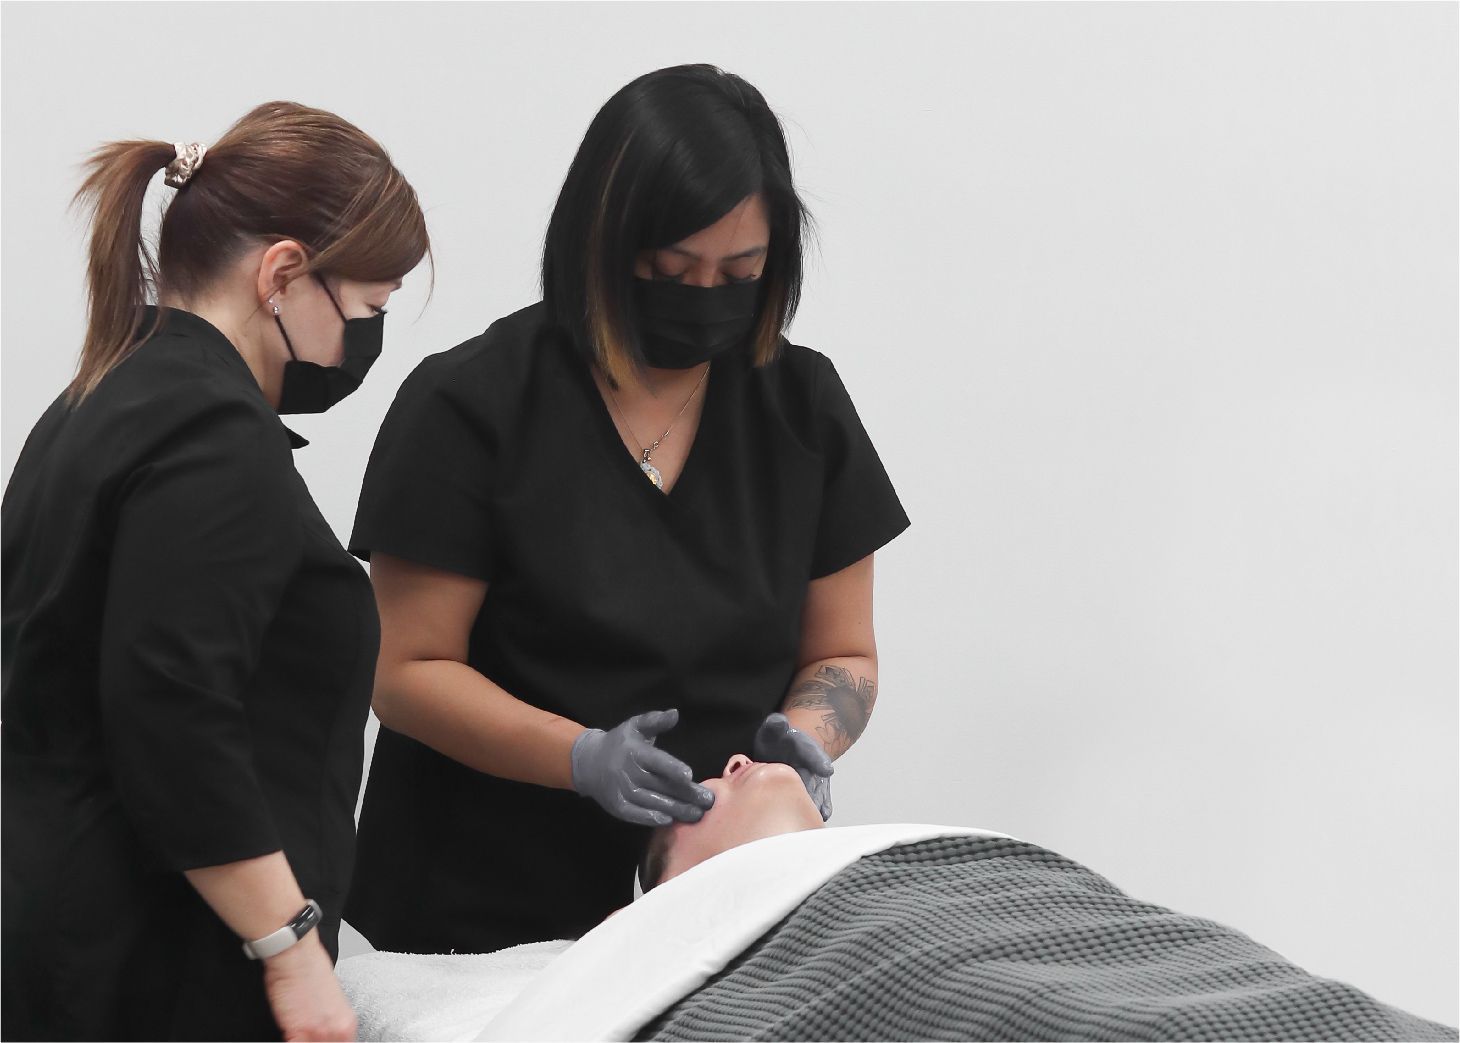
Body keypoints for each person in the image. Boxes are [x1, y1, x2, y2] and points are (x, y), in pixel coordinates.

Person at [343, 63, 910, 955]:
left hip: (708, 912)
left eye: (741, 271)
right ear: (601, 243)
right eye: (672, 268)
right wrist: (579, 756)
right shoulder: (473, 406)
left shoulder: (800, 407)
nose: (706, 294)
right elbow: (405, 670)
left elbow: (843, 651)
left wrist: (804, 740)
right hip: (475, 902)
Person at [1, 102, 429, 1042]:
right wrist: (290, 947)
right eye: (368, 308)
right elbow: (171, 710)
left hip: (76, 935)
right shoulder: (210, 436)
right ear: (282, 272)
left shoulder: (101, 395)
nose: (366, 340)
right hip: (160, 967)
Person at [475, 755, 1459, 1042]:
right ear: (671, 900)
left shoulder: (951, 856)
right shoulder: (708, 949)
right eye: (692, 799)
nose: (730, 759)